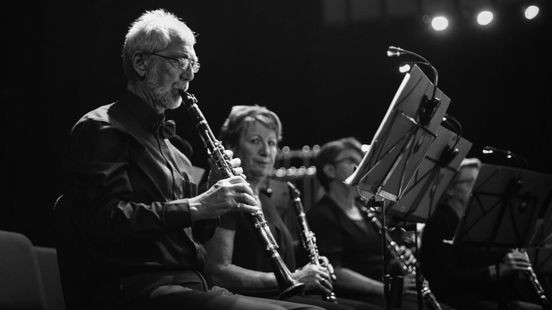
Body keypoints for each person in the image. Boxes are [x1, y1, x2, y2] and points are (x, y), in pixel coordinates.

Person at [57, 9, 325, 310]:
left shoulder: (177, 149)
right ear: (141, 63)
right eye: (180, 61)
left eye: (193, 64)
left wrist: (212, 197)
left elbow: (196, 234)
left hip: (191, 285)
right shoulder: (101, 128)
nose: (189, 74)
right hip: (138, 289)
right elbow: (104, 220)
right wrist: (198, 205)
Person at [203, 105, 382, 310]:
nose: (266, 151)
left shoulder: (266, 201)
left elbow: (270, 256)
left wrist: (312, 264)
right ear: (231, 147)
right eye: (255, 141)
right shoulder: (223, 194)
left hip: (276, 296)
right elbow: (217, 271)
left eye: (272, 143)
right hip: (244, 300)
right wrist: (295, 277)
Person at [307, 137, 445, 310]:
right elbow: (335, 272)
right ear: (329, 170)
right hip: (359, 297)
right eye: (351, 160)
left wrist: (397, 261)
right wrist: (386, 288)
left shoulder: (365, 210)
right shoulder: (321, 214)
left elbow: (377, 259)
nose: (361, 167)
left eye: (362, 161)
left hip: (383, 292)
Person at [420, 158, 543, 310]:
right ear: (450, 189)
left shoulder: (480, 221)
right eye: (471, 183)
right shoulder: (439, 222)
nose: (476, 188)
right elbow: (446, 280)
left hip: (481, 295)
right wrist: (499, 269)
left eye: (480, 183)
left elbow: (484, 262)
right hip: (453, 298)